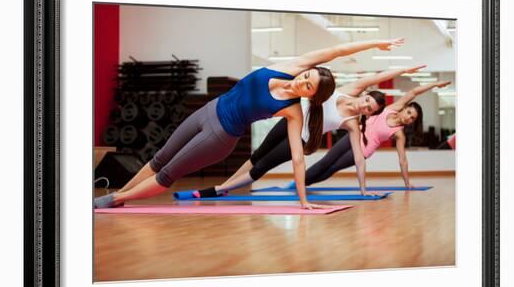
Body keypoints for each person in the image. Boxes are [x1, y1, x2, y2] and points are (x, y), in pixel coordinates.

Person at [192, 64, 427, 197]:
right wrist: (404, 70)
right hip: (289, 120)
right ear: (365, 95)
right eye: (367, 101)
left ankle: (218, 189)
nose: (364, 106)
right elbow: (379, 75)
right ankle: (228, 184)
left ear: (369, 114)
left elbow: (359, 158)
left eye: (369, 109)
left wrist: (363, 189)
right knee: (256, 156)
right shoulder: (349, 89)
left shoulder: (352, 124)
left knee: (263, 167)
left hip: (302, 139)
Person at [293, 80, 452, 189]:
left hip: (364, 150)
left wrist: (407, 183)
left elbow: (402, 160)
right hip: (353, 137)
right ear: (404, 108)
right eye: (409, 112)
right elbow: (414, 91)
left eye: (412, 118)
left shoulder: (399, 134)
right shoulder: (393, 107)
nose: (408, 117)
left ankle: (304, 184)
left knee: (332, 168)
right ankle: (297, 183)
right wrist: (436, 84)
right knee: (325, 161)